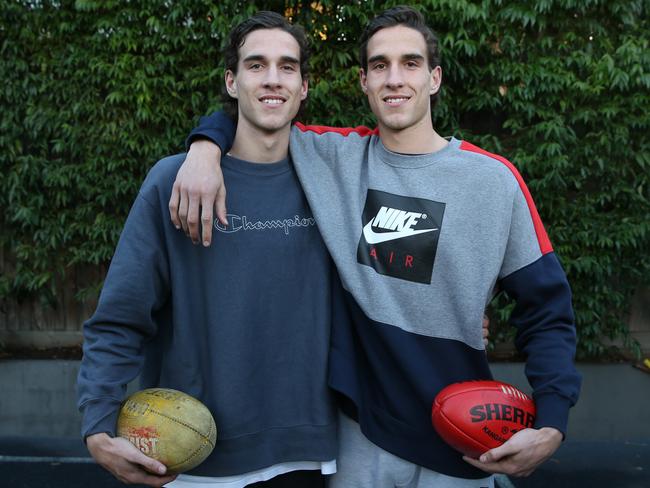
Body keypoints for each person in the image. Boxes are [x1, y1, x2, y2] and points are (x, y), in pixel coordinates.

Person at [171, 5, 581, 488]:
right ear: (363, 81)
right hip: (360, 435)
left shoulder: (493, 181)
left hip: (462, 443)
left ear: (435, 78)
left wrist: (552, 422)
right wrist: (205, 146)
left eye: (410, 63)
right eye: (380, 66)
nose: (394, 79)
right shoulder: (333, 158)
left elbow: (547, 310)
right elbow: (261, 115)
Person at [77, 12, 341, 488]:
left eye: (288, 67)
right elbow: (120, 316)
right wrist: (97, 423)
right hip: (196, 456)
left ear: (304, 87)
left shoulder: (333, 177)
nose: (273, 80)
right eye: (256, 65)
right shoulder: (172, 182)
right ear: (231, 81)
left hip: (310, 453)